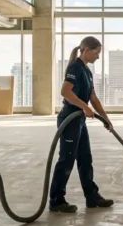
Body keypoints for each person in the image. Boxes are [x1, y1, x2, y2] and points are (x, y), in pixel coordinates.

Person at [49, 36, 114, 213]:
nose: (98, 57)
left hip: (79, 121)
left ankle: (92, 197)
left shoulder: (87, 71)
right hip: (69, 119)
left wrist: (106, 119)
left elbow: (93, 98)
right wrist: (84, 107)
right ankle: (56, 200)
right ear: (86, 50)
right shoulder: (75, 67)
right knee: (67, 160)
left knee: (85, 159)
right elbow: (65, 92)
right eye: (97, 53)